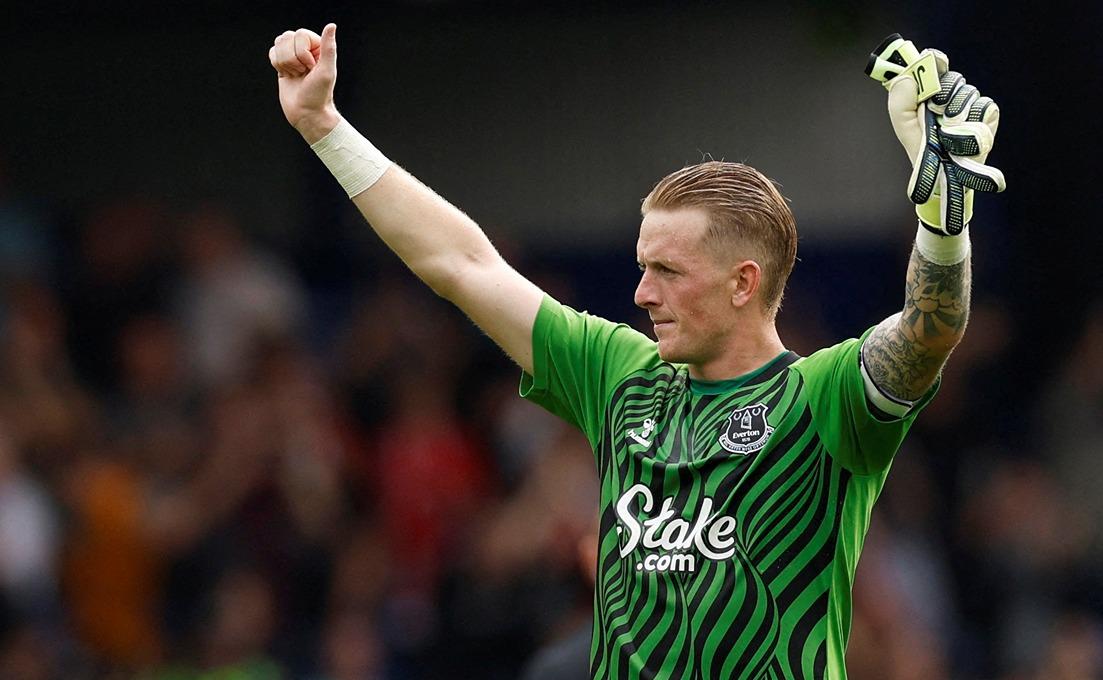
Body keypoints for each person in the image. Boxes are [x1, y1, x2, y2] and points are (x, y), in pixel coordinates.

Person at [267, 24, 1002, 680]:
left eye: (668, 272)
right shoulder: (620, 374)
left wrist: (943, 222)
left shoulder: (824, 397)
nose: (642, 293)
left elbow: (928, 330)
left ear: (745, 282)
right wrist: (324, 127)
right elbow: (463, 265)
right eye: (642, 267)